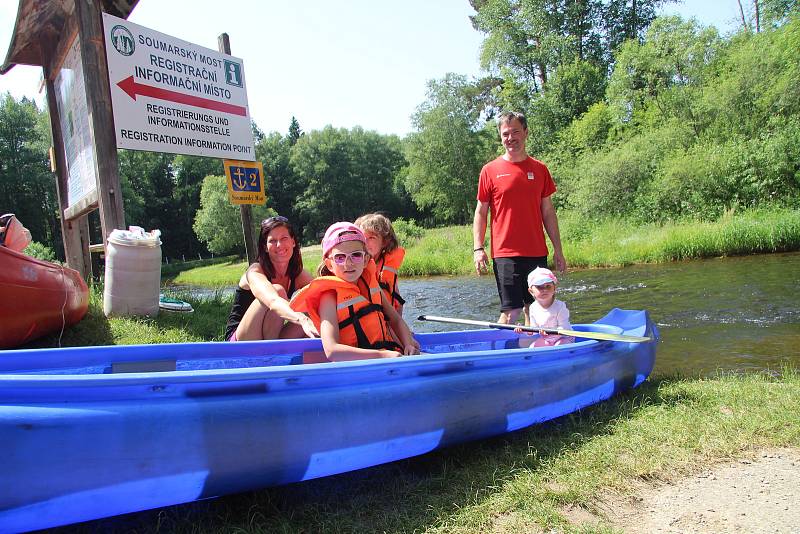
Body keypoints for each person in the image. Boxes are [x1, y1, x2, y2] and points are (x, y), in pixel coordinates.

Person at [473, 110, 567, 326]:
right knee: (511, 311)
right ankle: (495, 354)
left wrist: (558, 250)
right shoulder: (490, 170)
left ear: (525, 133)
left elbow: (548, 213)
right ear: (500, 136)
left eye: (515, 132)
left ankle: (530, 351)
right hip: (506, 254)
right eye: (505, 134)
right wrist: (478, 248)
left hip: (536, 252)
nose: (510, 138)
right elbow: (481, 212)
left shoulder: (540, 169)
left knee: (535, 309)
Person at [290, 222, 419, 361]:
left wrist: (408, 343)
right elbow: (332, 351)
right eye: (340, 257)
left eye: (356, 255)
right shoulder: (329, 297)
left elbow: (396, 319)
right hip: (359, 366)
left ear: (365, 260)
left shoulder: (372, 286)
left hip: (389, 356)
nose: (348, 263)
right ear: (329, 265)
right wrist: (381, 355)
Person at [224, 216, 319, 341]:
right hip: (241, 340)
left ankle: (279, 353)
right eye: (272, 241)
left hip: (270, 336)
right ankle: (273, 354)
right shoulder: (255, 271)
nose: (279, 245)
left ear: (293, 242)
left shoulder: (298, 274)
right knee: (278, 291)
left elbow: (323, 296)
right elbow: (273, 301)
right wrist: (302, 319)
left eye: (284, 238)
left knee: (315, 311)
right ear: (265, 247)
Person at [354, 213, 405, 314]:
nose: (365, 242)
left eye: (371, 238)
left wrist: (395, 329)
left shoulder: (386, 268)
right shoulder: (352, 268)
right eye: (362, 237)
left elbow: (398, 303)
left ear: (385, 242)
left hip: (385, 324)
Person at [514, 267, 574, 347]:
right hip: (547, 339)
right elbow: (534, 330)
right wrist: (523, 330)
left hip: (564, 338)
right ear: (531, 291)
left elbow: (564, 328)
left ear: (554, 288)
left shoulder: (560, 306)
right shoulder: (533, 308)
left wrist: (549, 332)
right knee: (532, 347)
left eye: (548, 286)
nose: (544, 290)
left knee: (559, 346)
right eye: (539, 287)